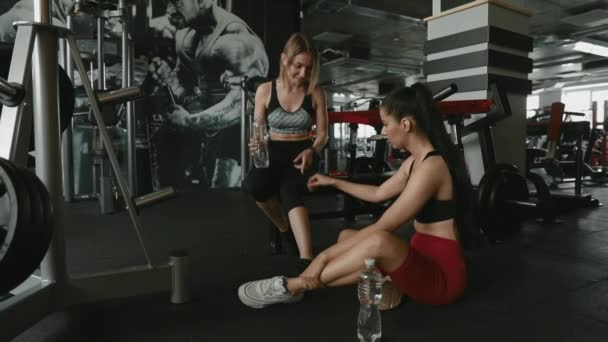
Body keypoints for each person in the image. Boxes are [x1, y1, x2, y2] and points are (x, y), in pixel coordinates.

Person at [238, 82, 475, 309]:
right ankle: (388, 285)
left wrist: (320, 259)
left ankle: (294, 286)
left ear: (405, 124)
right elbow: (379, 193)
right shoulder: (415, 161)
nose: (383, 131)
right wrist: (334, 181)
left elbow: (384, 226)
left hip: (441, 278)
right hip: (418, 258)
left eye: (385, 123)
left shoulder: (431, 168)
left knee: (378, 240)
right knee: (346, 236)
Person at [149, 0, 269, 188]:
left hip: (237, 134)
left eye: (177, 3)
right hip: (205, 132)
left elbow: (245, 102)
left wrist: (190, 122)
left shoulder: (235, 39)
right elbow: (188, 92)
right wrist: (170, 80)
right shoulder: (184, 34)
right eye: (168, 3)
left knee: (225, 198)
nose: (169, 10)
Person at [241, 32, 328, 271]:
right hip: (273, 149)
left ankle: (307, 259)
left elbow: (322, 135)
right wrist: (257, 142)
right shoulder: (265, 90)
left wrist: (313, 149)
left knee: (290, 189)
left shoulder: (316, 92)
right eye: (298, 66)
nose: (303, 74)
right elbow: (259, 129)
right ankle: (284, 228)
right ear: (284, 60)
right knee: (253, 186)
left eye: (309, 68)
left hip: (303, 151)